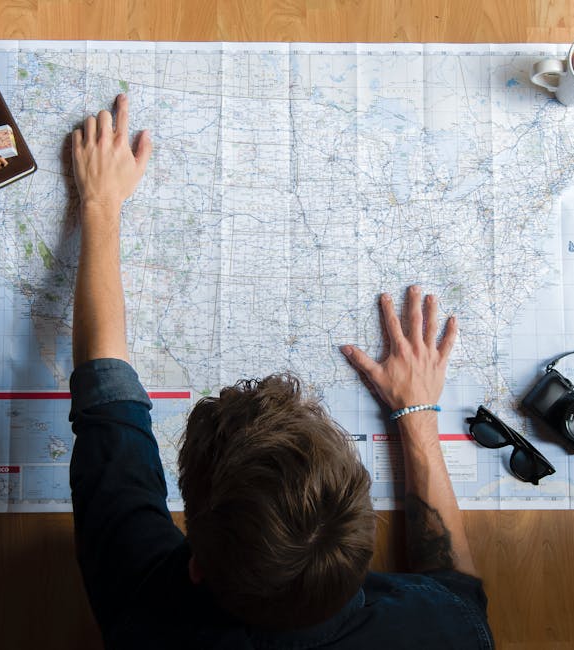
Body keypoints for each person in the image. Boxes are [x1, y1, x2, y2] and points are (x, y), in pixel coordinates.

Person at [69, 94, 494, 649]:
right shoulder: (443, 632)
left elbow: (106, 397)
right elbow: (453, 587)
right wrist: (416, 414)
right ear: (364, 549)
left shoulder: (144, 608)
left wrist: (100, 204)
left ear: (196, 567)